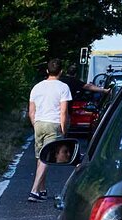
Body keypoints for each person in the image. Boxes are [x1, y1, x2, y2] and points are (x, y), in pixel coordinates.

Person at [28, 58, 72, 203]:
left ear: (47, 71)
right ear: (61, 71)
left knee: (39, 157)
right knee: (46, 157)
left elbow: (31, 111)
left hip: (39, 123)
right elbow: (63, 112)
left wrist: (36, 125)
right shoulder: (63, 87)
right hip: (53, 124)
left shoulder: (36, 87)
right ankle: (34, 191)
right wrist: (64, 129)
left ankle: (42, 190)